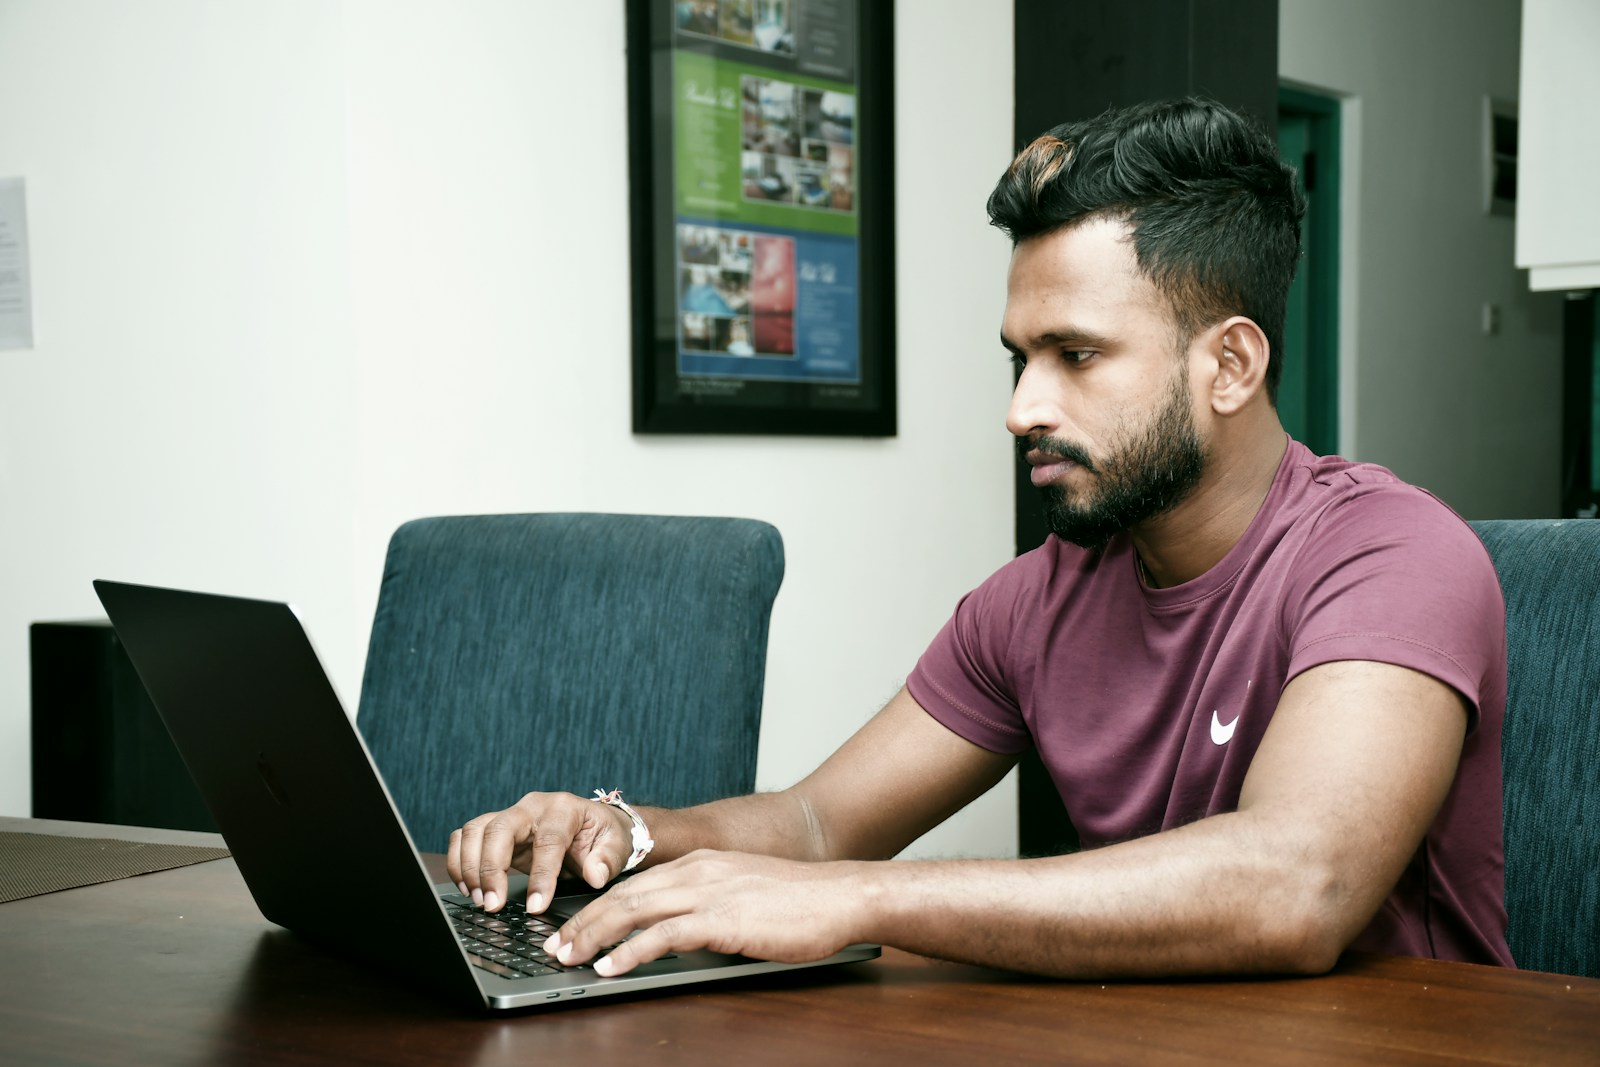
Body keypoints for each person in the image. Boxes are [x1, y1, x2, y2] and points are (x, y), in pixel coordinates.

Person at [448, 98, 1512, 979]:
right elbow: (819, 823)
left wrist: (851, 898)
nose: (1022, 408)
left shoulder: (1393, 554)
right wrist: (622, 832)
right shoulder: (1035, 599)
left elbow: (1296, 884)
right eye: (1018, 359)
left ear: (1229, 365)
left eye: (1076, 355)